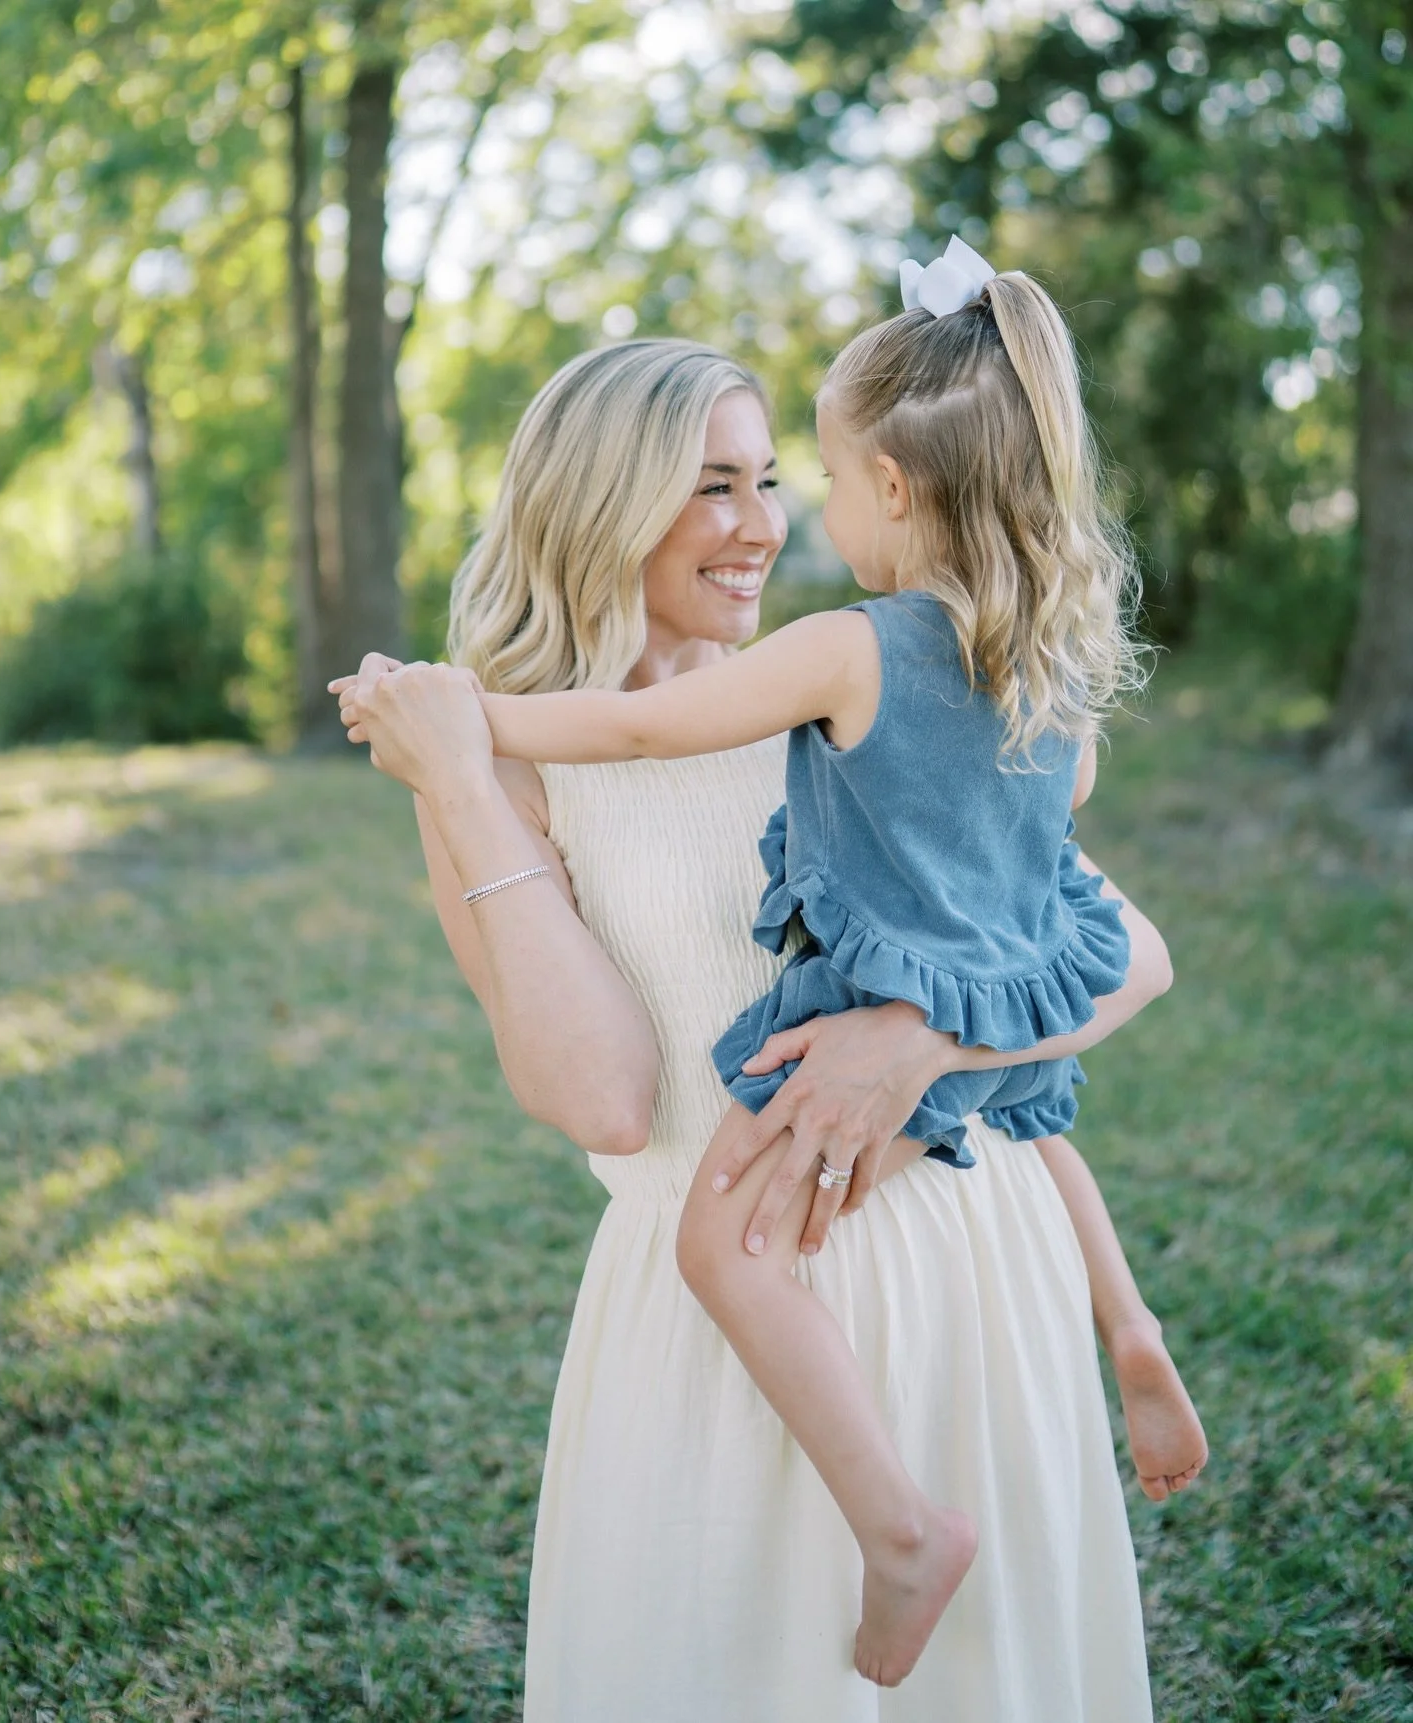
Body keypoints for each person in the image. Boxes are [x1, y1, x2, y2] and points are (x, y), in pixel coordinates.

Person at [333, 333, 1174, 1721]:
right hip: (723, 1307)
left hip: (967, 1252)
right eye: (712, 483)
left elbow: (1128, 954)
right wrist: (472, 780)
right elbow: (603, 1096)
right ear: (604, 500)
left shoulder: (842, 684)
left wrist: (925, 1043)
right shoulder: (509, 767)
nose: (763, 523)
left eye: (774, 477)